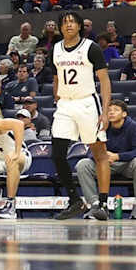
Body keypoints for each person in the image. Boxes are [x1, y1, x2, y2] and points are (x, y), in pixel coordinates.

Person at [48, 11, 115, 220]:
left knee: (99, 153)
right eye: (64, 23)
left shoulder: (91, 48)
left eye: (72, 22)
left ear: (79, 26)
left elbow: (104, 80)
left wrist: (105, 111)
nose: (68, 25)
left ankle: (103, 204)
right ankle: (75, 200)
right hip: (65, 105)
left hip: (87, 103)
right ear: (60, 28)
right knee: (57, 154)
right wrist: (57, 98)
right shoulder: (56, 49)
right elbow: (56, 77)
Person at [78, 100, 136, 219]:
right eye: (109, 110)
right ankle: (96, 205)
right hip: (106, 165)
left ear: (124, 114)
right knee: (83, 164)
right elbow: (90, 151)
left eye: (115, 110)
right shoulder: (102, 127)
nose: (111, 113)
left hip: (127, 165)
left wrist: (118, 156)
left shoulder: (134, 127)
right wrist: (102, 156)